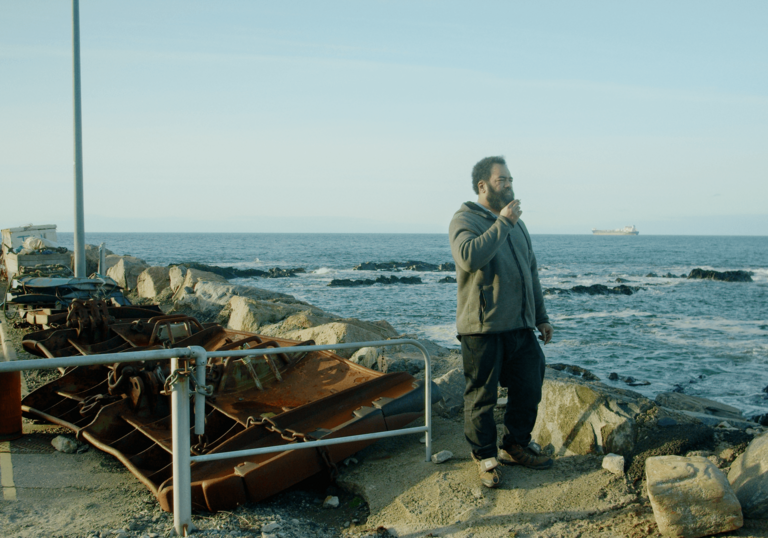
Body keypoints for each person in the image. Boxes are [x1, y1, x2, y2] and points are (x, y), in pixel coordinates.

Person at [448, 155, 554, 488]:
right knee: (481, 396)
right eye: (501, 180)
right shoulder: (464, 219)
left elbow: (530, 272)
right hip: (482, 327)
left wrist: (541, 316)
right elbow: (469, 257)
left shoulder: (518, 225)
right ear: (482, 186)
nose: (508, 185)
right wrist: (503, 224)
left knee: (529, 385)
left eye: (510, 180)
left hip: (520, 326)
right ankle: (484, 457)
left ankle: (516, 445)